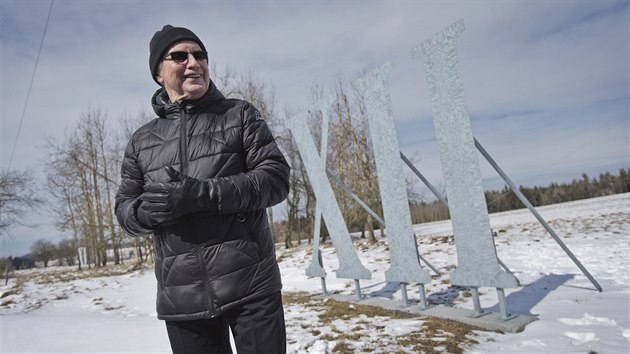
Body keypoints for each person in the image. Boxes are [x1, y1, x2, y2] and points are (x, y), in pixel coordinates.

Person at [115, 25, 290, 354]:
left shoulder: (238, 115)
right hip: (182, 300)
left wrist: (202, 195)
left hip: (251, 286)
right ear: (158, 73)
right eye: (180, 56)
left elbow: (276, 179)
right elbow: (124, 210)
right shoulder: (141, 141)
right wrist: (144, 213)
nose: (193, 62)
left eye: (200, 55)